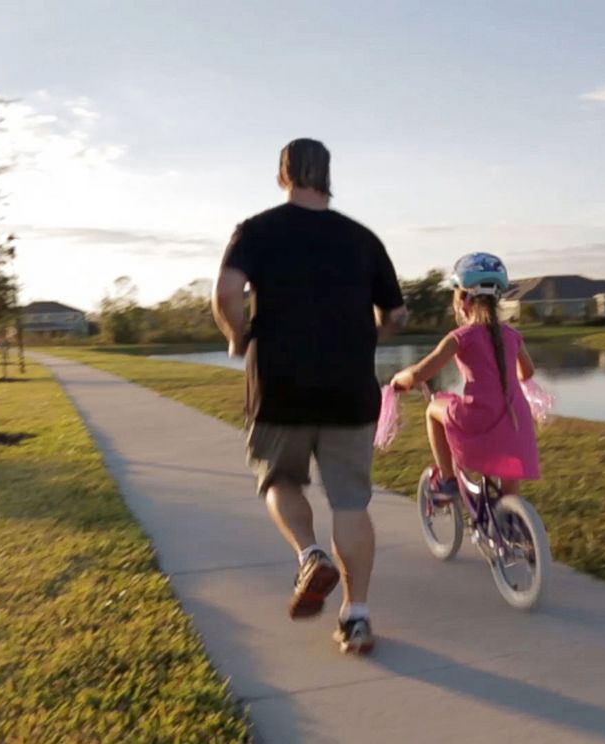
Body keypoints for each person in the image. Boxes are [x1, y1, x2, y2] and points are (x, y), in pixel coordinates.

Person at [212, 138, 406, 655]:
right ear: (327, 176)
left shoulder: (255, 231)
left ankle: (309, 554)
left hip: (280, 388)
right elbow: (396, 315)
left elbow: (227, 292)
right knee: (351, 502)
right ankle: (357, 616)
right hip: (349, 391)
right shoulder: (363, 239)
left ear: (284, 175)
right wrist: (372, 333)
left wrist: (237, 337)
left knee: (278, 478)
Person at [391, 253, 540, 497]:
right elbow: (528, 372)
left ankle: (448, 479)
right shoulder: (512, 335)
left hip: (478, 417)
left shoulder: (461, 337)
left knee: (433, 410)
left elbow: (420, 373)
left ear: (462, 300)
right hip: (516, 420)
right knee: (510, 488)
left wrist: (400, 379)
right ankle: (514, 524)